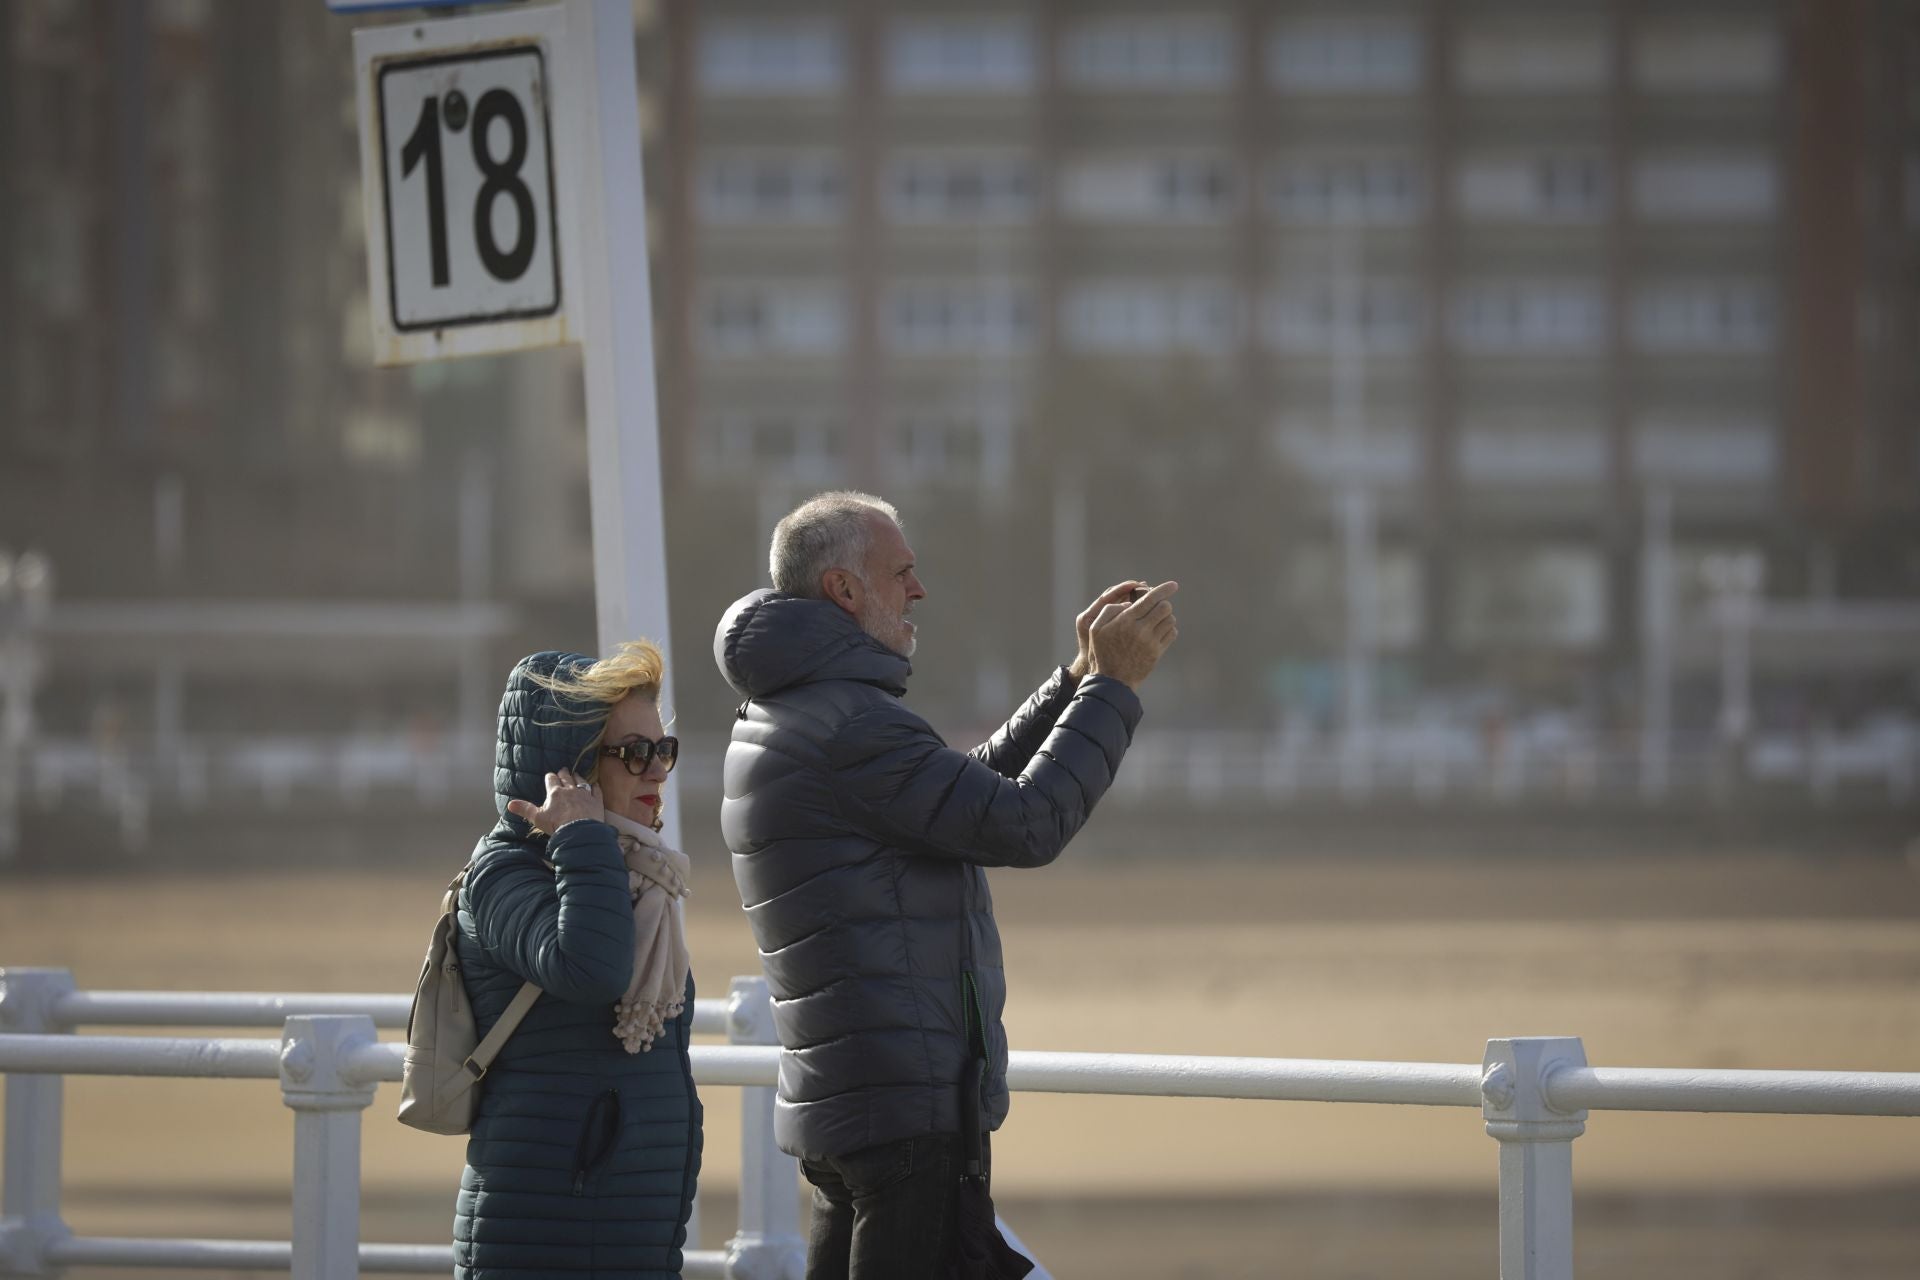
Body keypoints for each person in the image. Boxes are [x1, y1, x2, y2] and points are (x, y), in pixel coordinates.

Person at [712, 491, 1177, 1278]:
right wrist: (1115, 689)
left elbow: (968, 796)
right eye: (902, 572)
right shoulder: (854, 726)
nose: (917, 590)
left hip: (850, 1103)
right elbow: (1026, 823)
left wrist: (1076, 680)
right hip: (904, 1113)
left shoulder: (790, 713)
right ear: (844, 590)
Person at [452, 642, 701, 1280]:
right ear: (569, 769)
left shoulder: (639, 880)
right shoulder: (506, 874)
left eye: (662, 749)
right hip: (541, 1238)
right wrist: (580, 837)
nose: (656, 772)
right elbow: (591, 968)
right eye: (634, 753)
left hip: (630, 1236)